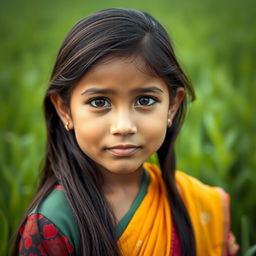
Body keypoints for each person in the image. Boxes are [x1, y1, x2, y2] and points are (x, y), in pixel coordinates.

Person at [12, 8, 239, 256]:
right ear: (65, 109)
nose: (123, 126)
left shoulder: (196, 205)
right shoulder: (53, 223)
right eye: (99, 102)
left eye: (145, 100)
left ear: (172, 106)